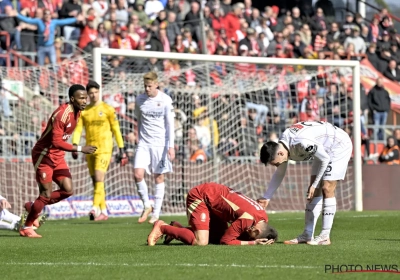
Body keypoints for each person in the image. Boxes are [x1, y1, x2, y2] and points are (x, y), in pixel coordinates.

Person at [20, 84, 97, 238]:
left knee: (68, 190)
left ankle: (34, 207)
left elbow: (62, 140)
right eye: (81, 98)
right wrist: (80, 148)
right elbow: (56, 142)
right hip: (44, 155)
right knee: (46, 193)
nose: (84, 101)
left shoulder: (78, 112)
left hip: (58, 156)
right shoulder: (62, 114)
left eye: (85, 98)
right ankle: (26, 227)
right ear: (72, 99)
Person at [260, 121, 353, 245]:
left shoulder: (302, 143)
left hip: (337, 145)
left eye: (276, 163)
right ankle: (307, 234)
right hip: (322, 147)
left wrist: (315, 184)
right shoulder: (283, 145)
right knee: (313, 192)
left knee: (326, 187)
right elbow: (280, 173)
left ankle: (325, 236)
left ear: (280, 153)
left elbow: (325, 159)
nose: (278, 165)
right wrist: (267, 196)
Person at [147, 183, 277, 246]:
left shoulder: (262, 216)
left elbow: (227, 238)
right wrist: (252, 244)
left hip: (213, 201)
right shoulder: (248, 219)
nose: (250, 234)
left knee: (214, 238)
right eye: (254, 236)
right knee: (201, 242)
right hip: (200, 197)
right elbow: (226, 242)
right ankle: (162, 227)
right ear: (257, 230)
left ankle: (176, 229)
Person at [72, 80, 127, 221]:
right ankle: (104, 211)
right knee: (95, 182)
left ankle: (94, 208)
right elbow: (78, 129)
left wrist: (121, 147)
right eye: (91, 93)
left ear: (99, 92)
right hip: (90, 149)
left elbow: (116, 129)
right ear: (88, 95)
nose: (94, 95)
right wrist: (75, 144)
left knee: (98, 177)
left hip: (105, 148)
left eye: (96, 92)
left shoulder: (108, 109)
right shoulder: (84, 111)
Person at [134, 72, 175, 224]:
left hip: (160, 144)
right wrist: (139, 138)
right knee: (138, 174)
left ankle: (156, 213)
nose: (147, 89)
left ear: (157, 85)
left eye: (149, 86)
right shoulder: (140, 100)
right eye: (145, 86)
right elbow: (138, 119)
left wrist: (170, 146)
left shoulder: (165, 100)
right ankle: (146, 205)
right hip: (144, 144)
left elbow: (170, 124)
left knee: (158, 176)